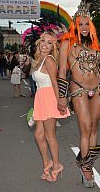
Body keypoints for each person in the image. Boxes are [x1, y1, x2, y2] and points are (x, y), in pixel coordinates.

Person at [57, 0, 100, 188]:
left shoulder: (96, 44)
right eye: (81, 24)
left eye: (87, 23)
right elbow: (62, 71)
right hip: (78, 88)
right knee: (85, 128)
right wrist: (62, 96)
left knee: (94, 128)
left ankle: (88, 163)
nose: (84, 27)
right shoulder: (67, 43)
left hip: (99, 88)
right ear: (75, 25)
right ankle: (86, 168)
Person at [32, 32, 70, 182]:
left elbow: (55, 82)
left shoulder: (49, 59)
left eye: (49, 43)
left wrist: (60, 100)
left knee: (49, 135)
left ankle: (56, 166)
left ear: (53, 46)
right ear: (38, 43)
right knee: (38, 136)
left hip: (49, 98)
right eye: (43, 41)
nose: (44, 44)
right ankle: (47, 163)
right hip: (41, 99)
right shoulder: (39, 59)